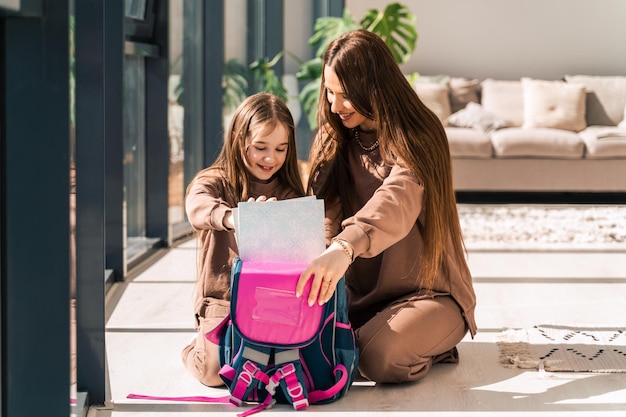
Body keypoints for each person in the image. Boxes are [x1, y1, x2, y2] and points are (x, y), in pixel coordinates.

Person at [295, 29, 477, 384]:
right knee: (316, 350)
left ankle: (433, 342)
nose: (333, 106)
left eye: (345, 95)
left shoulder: (419, 135)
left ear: (372, 86)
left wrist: (345, 247)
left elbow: (397, 197)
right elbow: (324, 212)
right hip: (358, 300)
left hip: (429, 295)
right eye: (329, 92)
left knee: (378, 360)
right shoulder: (332, 140)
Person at [182, 92, 305, 387]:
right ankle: (193, 348)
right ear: (239, 140)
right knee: (213, 373)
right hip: (221, 301)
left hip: (271, 302)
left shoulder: (290, 192)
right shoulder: (215, 180)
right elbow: (197, 205)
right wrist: (234, 218)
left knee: (284, 366)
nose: (270, 158)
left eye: (280, 149)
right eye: (260, 147)